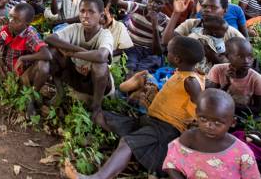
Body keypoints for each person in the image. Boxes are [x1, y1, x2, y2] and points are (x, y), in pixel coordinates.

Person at [65, 36, 205, 179]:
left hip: (166, 130)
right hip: (151, 121)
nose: (165, 52)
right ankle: (117, 147)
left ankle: (97, 177)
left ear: (177, 59)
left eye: (168, 51)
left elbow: (201, 105)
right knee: (102, 117)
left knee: (127, 143)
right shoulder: (180, 73)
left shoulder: (191, 81)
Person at [163, 89, 261, 179]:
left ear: (232, 122)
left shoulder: (242, 152)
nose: (209, 126)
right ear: (196, 114)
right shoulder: (189, 138)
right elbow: (171, 165)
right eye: (203, 119)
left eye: (218, 122)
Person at [44, 0, 114, 119]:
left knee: (100, 65)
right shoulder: (75, 28)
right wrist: (78, 50)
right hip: (75, 75)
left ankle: (96, 107)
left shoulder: (105, 34)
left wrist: (72, 53)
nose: (86, 15)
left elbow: (102, 55)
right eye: (82, 11)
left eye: (91, 12)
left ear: (101, 15)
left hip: (93, 83)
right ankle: (60, 93)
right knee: (52, 52)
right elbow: (49, 38)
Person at [0, 3, 50, 108]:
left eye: (16, 20)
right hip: (5, 70)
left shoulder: (30, 35)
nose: (11, 21)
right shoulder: (6, 30)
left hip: (23, 77)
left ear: (26, 25)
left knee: (44, 66)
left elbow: (47, 54)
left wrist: (23, 58)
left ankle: (30, 98)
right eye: (11, 17)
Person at [164, 0, 244, 73]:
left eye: (213, 7)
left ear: (225, 11)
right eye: (204, 6)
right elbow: (166, 42)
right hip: (186, 75)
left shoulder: (232, 34)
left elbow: (242, 63)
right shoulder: (191, 24)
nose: (207, 10)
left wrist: (214, 56)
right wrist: (176, 13)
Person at [110, 0, 170, 73]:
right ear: (147, 0)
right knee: (130, 69)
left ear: (165, 4)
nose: (153, 5)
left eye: (159, 3)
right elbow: (115, 2)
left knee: (143, 71)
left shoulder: (165, 21)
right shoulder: (138, 8)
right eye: (150, 0)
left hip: (150, 52)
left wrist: (155, 26)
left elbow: (159, 51)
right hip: (132, 47)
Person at [207, 37, 261, 117]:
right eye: (240, 57)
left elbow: (259, 108)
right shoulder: (218, 70)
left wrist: (230, 106)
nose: (246, 61)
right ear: (227, 56)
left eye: (250, 56)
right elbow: (210, 99)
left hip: (242, 116)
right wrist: (226, 84)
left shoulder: (256, 79)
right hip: (217, 112)